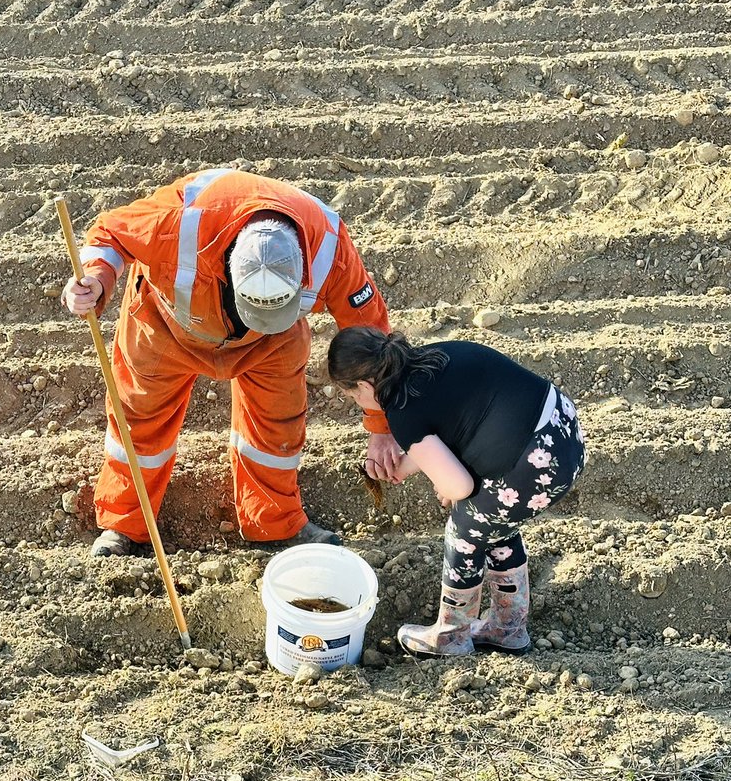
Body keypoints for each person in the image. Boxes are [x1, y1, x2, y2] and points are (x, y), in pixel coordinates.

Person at [62, 168, 400, 556]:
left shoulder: (328, 245)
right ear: (227, 268)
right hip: (166, 324)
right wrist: (97, 279)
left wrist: (382, 427)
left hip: (273, 342)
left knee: (277, 427)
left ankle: (273, 523)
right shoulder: (178, 220)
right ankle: (124, 525)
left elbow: (372, 335)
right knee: (139, 421)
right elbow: (110, 233)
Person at [327, 327, 586, 655]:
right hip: (562, 430)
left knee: (465, 530)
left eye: (353, 397)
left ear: (364, 386)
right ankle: (507, 629)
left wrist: (444, 482)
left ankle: (451, 636)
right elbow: (465, 425)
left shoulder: (402, 408)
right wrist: (410, 465)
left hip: (534, 463)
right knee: (492, 522)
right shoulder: (434, 357)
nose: (358, 402)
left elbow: (458, 486)